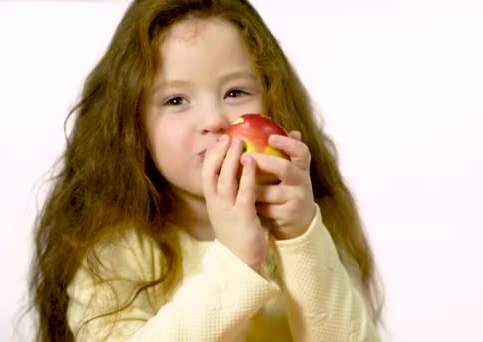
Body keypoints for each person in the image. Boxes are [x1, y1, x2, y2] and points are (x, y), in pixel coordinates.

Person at [28, 0, 385, 341]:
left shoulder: (309, 225)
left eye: (235, 92)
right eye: (176, 100)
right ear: (133, 127)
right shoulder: (113, 254)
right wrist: (236, 261)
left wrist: (301, 238)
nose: (214, 119)